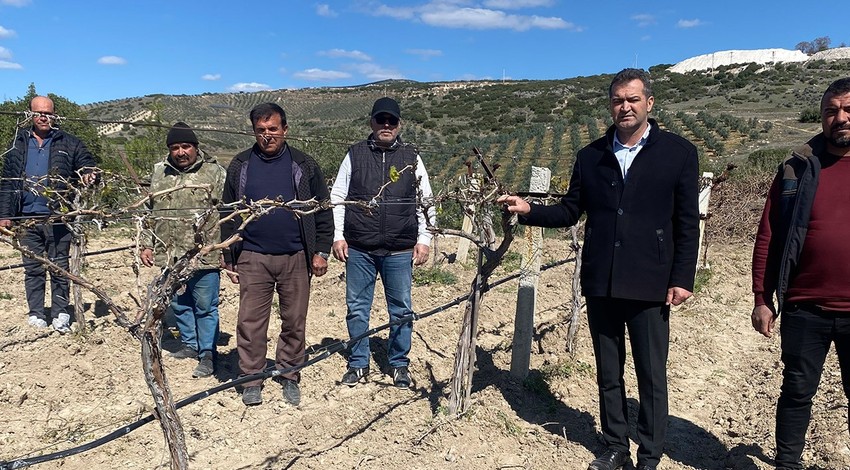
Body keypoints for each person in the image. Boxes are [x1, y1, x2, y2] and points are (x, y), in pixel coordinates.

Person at [498, 68, 700, 470]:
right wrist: (529, 210)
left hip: (651, 281)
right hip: (601, 279)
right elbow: (572, 210)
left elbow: (686, 221)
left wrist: (681, 278)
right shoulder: (590, 156)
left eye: (632, 99)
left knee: (650, 373)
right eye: (617, 100)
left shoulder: (678, 152)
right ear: (610, 105)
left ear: (649, 103)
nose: (625, 106)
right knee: (609, 370)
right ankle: (614, 446)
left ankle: (650, 453)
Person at [751, 77, 850, 470]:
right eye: (831, 110)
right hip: (804, 306)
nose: (839, 118)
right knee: (796, 390)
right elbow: (768, 233)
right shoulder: (797, 166)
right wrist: (761, 298)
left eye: (847, 110)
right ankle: (787, 463)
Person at [221, 103, 333, 407]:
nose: (267, 135)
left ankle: (289, 374)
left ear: (285, 130)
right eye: (261, 130)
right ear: (253, 131)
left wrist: (321, 250)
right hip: (252, 256)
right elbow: (228, 212)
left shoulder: (304, 164)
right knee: (250, 321)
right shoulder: (240, 164)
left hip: (296, 256)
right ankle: (251, 378)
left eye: (273, 129)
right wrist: (228, 254)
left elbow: (323, 209)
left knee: (294, 320)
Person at [330, 97, 435, 389]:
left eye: (391, 121)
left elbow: (425, 201)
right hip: (360, 247)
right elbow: (338, 197)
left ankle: (399, 364)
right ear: (372, 123)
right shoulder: (355, 154)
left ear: (399, 124)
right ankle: (358, 363)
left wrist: (424, 239)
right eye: (381, 120)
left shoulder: (412, 157)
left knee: (401, 309)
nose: (386, 125)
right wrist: (338, 235)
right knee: (357, 307)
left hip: (400, 247)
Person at [0, 95, 96, 333]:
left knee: (59, 268)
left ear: (55, 115)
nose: (44, 117)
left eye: (48, 113)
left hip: (58, 218)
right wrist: (4, 214)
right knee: (33, 269)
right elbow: (7, 182)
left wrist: (89, 174)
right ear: (30, 115)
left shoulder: (69, 143)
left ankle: (61, 312)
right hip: (25, 218)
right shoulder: (17, 144)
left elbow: (87, 164)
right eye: (39, 113)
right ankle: (36, 313)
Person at [140, 122, 226, 378]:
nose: (180, 152)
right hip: (169, 253)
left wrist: (225, 249)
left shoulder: (215, 173)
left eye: (185, 146)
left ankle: (208, 354)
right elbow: (149, 211)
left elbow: (226, 212)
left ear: (195, 147)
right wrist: (146, 243)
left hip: (203, 253)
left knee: (205, 306)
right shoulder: (159, 172)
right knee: (179, 303)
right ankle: (189, 343)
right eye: (175, 147)